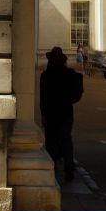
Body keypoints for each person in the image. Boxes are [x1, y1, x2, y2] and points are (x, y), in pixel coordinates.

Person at [39, 46, 84, 182]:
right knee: (66, 140)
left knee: (51, 140)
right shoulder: (69, 74)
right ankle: (69, 169)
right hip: (65, 111)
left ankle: (52, 167)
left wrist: (43, 113)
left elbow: (43, 97)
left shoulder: (46, 76)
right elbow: (76, 92)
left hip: (50, 112)